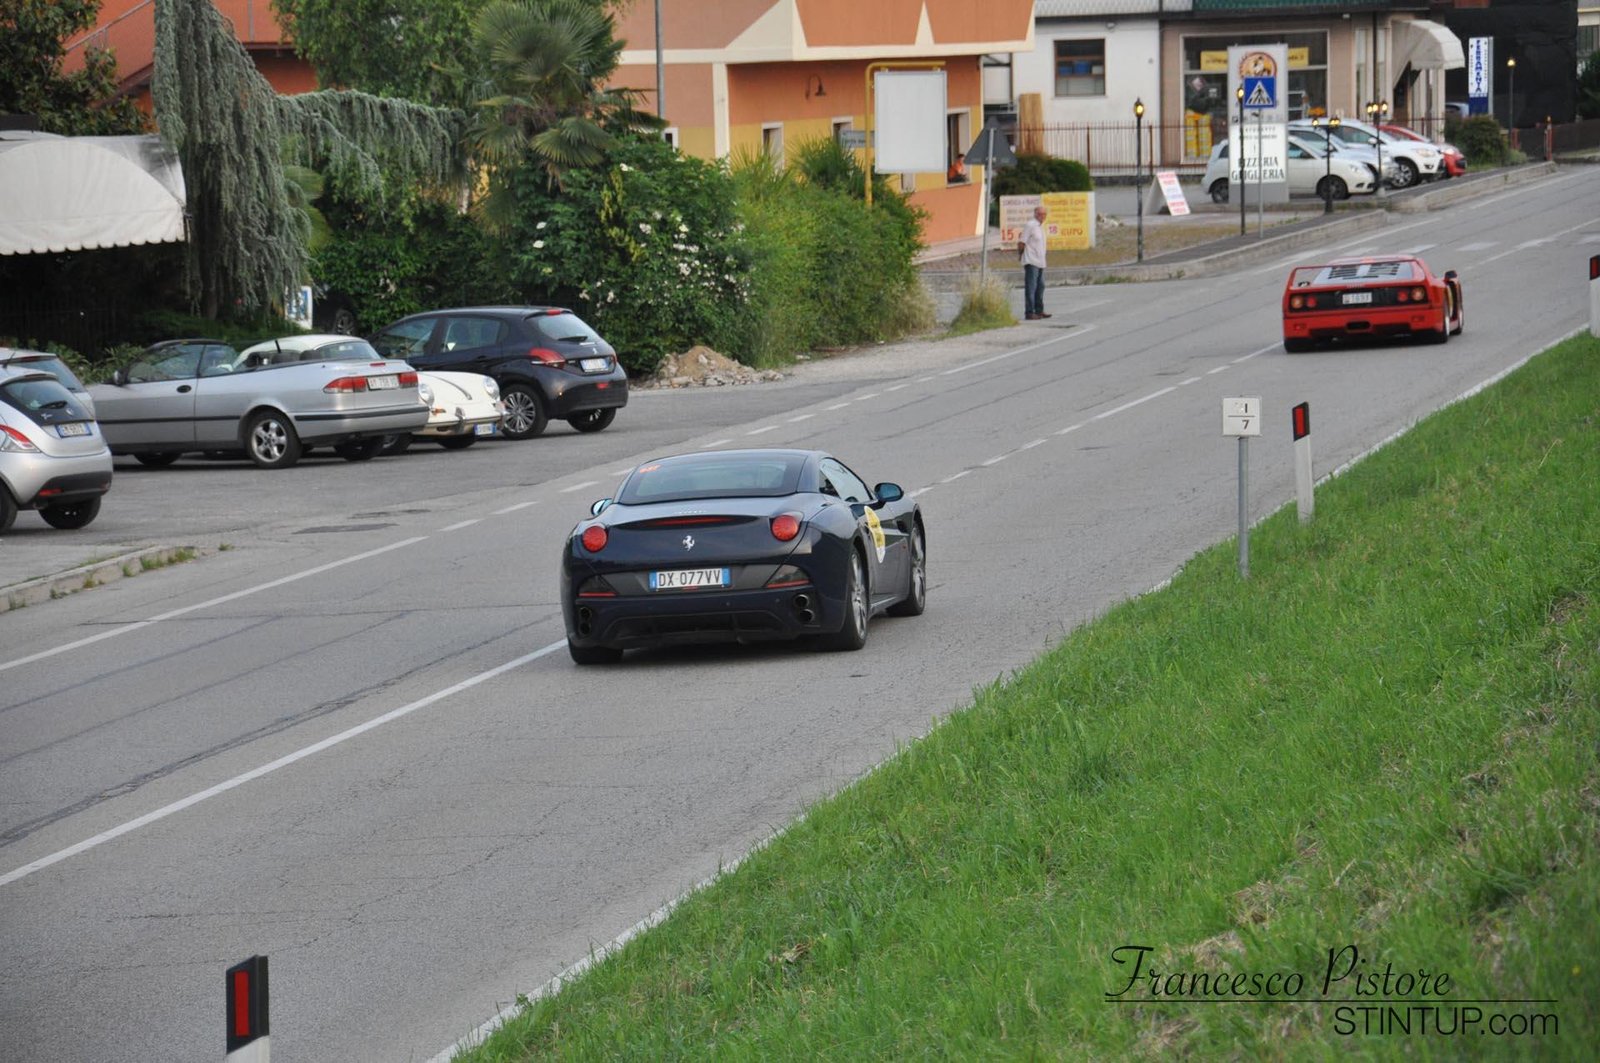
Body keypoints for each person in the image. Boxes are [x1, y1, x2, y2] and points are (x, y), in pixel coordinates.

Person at [1018, 205, 1050, 320]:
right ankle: (1029, 312)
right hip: (1031, 261)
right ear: (1035, 214)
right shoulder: (1030, 225)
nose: (1043, 216)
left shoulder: (1040, 227)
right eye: (1040, 214)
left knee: (1041, 286)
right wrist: (1020, 255)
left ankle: (1039, 310)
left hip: (1040, 261)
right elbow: (1022, 242)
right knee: (1031, 287)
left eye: (1044, 214)